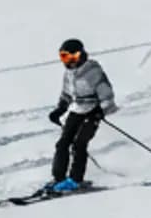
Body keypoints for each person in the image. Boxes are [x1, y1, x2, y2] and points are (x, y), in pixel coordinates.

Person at [49, 38, 116, 191]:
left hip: (92, 110)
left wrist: (102, 110)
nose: (70, 61)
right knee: (62, 144)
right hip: (76, 109)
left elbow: (107, 95)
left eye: (74, 57)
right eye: (65, 57)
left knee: (79, 144)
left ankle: (75, 180)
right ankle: (58, 179)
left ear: (82, 55)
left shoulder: (93, 71)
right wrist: (60, 109)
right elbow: (66, 94)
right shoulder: (68, 73)